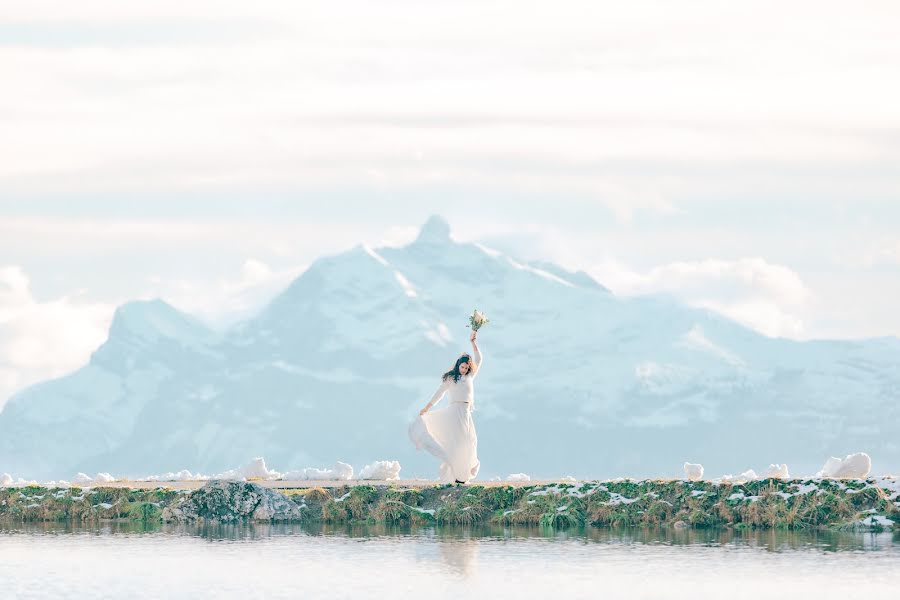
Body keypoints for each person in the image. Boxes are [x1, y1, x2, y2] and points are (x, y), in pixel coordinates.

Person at [409, 330, 482, 484]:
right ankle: (458, 475)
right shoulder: (450, 378)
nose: (464, 369)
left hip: (466, 413)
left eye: (466, 368)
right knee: (459, 442)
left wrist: (473, 343)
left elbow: (479, 359)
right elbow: (439, 394)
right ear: (458, 365)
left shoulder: (469, 377)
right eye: (462, 367)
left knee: (470, 441)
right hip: (454, 412)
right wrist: (427, 408)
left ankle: (462, 473)